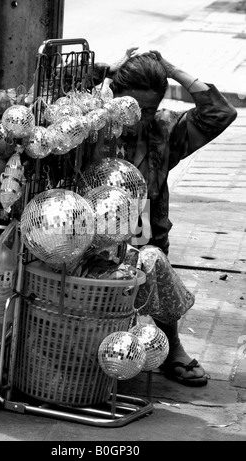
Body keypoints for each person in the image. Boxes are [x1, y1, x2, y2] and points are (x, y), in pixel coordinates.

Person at [92, 48, 237, 386]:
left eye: (150, 109)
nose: (141, 117)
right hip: (99, 237)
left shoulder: (164, 130)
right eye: (135, 108)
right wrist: (107, 72)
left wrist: (171, 69)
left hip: (149, 235)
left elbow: (220, 112)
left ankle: (171, 348)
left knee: (157, 263)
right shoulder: (96, 129)